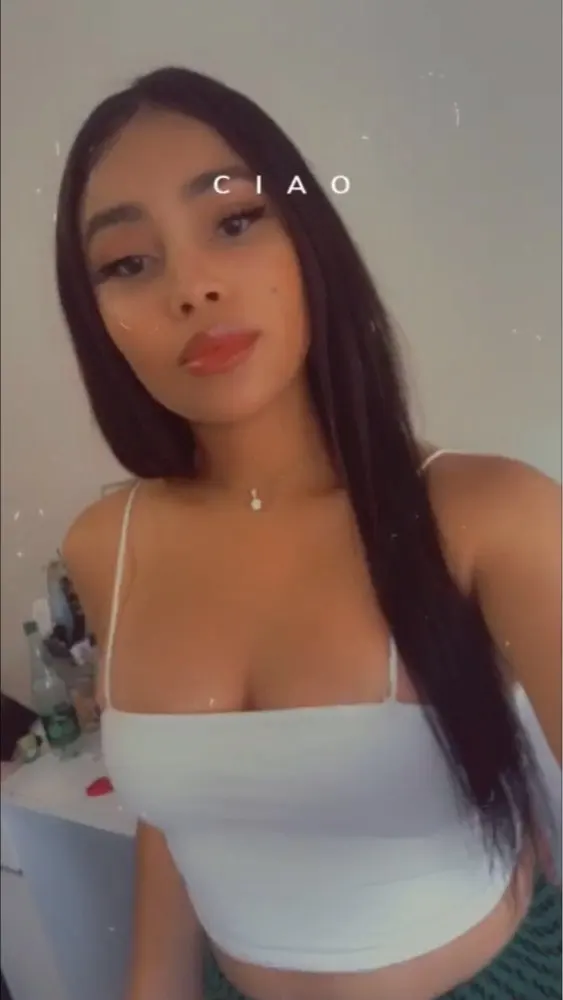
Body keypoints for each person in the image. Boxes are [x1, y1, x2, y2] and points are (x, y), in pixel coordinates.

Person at [56, 66, 561, 1000]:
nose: (191, 287)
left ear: (307, 238)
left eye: (235, 220)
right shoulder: (102, 546)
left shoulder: (493, 516)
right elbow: (182, 822)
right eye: (127, 262)